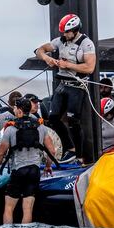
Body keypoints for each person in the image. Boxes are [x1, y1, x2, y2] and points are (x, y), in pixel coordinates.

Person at [35, 13, 96, 164]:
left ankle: (80, 155)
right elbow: (39, 50)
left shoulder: (86, 44)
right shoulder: (60, 41)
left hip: (77, 86)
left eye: (67, 32)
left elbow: (90, 67)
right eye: (63, 32)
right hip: (62, 85)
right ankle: (70, 149)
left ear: (75, 30)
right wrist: (47, 58)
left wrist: (68, 65)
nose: (64, 35)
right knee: (54, 118)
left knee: (74, 120)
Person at [0, 98, 56, 224]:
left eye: (15, 108)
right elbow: (52, 151)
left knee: (9, 208)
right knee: (27, 209)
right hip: (34, 171)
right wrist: (48, 166)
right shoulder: (40, 126)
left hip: (18, 170)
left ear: (19, 110)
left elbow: (0, 153)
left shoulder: (10, 129)